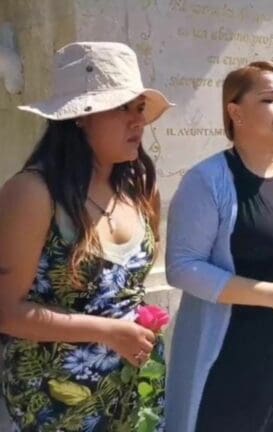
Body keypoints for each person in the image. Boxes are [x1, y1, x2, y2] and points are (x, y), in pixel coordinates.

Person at [0, 41, 172, 430]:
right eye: (122, 108)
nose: (138, 121)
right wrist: (108, 332)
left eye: (139, 107)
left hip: (136, 393)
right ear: (80, 117)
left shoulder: (141, 187)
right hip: (57, 402)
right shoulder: (33, 193)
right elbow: (6, 311)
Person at [164, 61, 273, 432]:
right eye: (269, 99)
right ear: (235, 112)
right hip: (234, 357)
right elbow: (182, 266)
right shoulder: (207, 181)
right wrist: (272, 294)